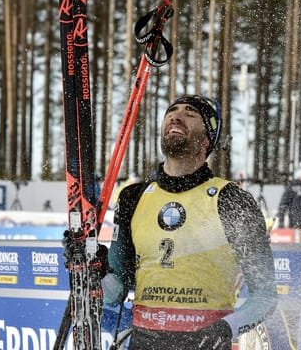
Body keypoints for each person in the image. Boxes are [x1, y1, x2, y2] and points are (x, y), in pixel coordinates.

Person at [102, 95, 277, 349]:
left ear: (207, 139)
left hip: (204, 342)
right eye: (171, 111)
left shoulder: (231, 199)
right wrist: (96, 270)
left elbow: (266, 295)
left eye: (190, 113)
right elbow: (115, 293)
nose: (176, 115)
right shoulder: (133, 197)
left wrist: (226, 328)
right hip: (143, 341)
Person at [276, 164, 301, 229]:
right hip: (294, 221)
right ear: (300, 176)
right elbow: (283, 204)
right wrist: (281, 223)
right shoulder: (292, 187)